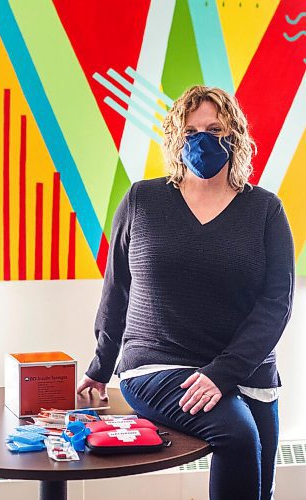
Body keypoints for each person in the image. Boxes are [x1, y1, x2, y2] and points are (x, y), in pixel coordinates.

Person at [77, 85, 295, 499]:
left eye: (215, 129)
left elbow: (276, 305)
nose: (203, 140)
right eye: (191, 131)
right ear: (177, 139)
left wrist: (223, 373)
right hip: (159, 365)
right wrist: (101, 366)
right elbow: (117, 288)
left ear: (236, 135)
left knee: (259, 488)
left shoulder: (265, 210)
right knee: (239, 435)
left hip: (245, 372)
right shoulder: (143, 200)